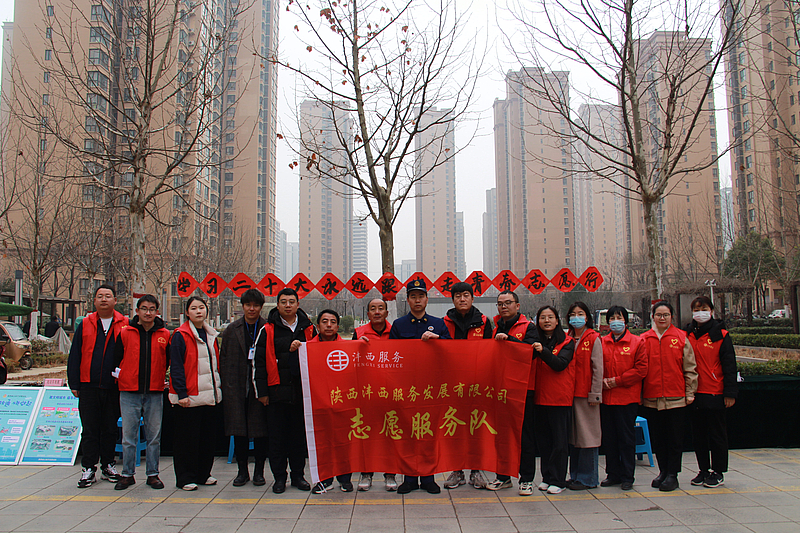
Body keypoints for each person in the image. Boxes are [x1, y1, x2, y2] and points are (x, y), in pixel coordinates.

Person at [389, 278, 451, 494]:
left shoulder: (439, 324)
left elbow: (452, 352)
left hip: (431, 389)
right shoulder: (399, 325)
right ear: (407, 300)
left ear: (427, 299)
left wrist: (438, 339)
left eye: (421, 296)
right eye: (413, 296)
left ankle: (427, 478)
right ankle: (409, 478)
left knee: (428, 433)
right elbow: (391, 356)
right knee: (407, 433)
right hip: (406, 388)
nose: (417, 300)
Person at [254, 287, 316, 494]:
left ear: (298, 304)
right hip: (276, 394)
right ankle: (280, 478)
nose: (288, 305)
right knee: (277, 440)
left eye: (291, 302)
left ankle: (298, 476)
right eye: (283, 302)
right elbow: (258, 363)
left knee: (298, 438)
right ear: (278, 305)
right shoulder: (268, 329)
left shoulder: (309, 329)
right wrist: (262, 392)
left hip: (301, 394)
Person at [67, 284, 128, 488]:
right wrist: (74, 382)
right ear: (94, 301)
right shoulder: (85, 323)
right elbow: (75, 354)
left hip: (113, 386)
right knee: (90, 429)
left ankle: (108, 465)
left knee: (110, 428)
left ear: (115, 300)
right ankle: (88, 468)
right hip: (88, 385)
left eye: (108, 296)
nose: (104, 299)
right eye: (100, 296)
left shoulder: (124, 324)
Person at [113, 295, 170, 490]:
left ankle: (153, 474)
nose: (148, 312)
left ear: (157, 312)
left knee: (154, 437)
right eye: (144, 308)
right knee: (129, 437)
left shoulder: (164, 334)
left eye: (152, 309)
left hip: (154, 391)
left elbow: (167, 360)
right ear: (137, 311)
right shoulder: (125, 332)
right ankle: (127, 474)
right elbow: (116, 359)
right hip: (129, 391)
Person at [640, 301, 698, 492]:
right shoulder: (644, 339)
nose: (662, 318)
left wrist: (690, 392)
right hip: (652, 397)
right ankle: (663, 471)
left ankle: (673, 474)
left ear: (672, 316)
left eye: (666, 315)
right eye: (658, 315)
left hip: (676, 398)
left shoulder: (681, 338)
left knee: (675, 439)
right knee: (658, 438)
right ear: (653, 317)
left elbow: (690, 368)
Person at [486, 290, 539, 495]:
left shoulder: (529, 327)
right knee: (501, 436)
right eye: (500, 304)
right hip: (500, 390)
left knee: (524, 437)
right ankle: (503, 476)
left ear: (517, 305)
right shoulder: (495, 328)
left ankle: (526, 479)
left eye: (508, 303)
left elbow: (531, 352)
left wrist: (509, 340)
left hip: (523, 390)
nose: (503, 307)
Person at [442, 282, 493, 490]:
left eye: (466, 295)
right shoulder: (444, 322)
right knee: (454, 427)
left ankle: (476, 470)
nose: (462, 299)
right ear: (452, 299)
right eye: (458, 296)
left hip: (476, 384)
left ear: (472, 298)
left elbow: (490, 352)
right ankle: (457, 471)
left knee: (476, 427)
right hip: (452, 384)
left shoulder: (484, 322)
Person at [169, 296, 223, 491]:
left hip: (209, 395)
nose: (198, 311)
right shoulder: (180, 335)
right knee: (187, 440)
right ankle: (185, 478)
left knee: (206, 439)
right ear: (187, 313)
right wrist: (181, 393)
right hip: (189, 397)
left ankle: (203, 474)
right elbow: (176, 367)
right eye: (194, 308)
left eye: (201, 307)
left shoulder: (211, 334)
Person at [219, 288, 270, 487]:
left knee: (260, 431)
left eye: (255, 305)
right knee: (239, 430)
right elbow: (224, 359)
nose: (251, 309)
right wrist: (227, 385)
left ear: (261, 307)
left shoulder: (267, 328)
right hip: (237, 386)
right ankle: (242, 472)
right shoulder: (232, 330)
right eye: (248, 305)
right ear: (243, 306)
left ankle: (259, 472)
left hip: (259, 387)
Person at [685, 296, 737, 488]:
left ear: (712, 311)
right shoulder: (687, 334)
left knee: (717, 434)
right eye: (696, 309)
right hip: (694, 392)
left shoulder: (721, 334)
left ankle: (718, 471)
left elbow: (730, 366)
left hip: (715, 391)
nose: (700, 313)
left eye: (704, 309)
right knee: (698, 435)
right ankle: (703, 470)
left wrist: (730, 393)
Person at [599, 306, 647, 491]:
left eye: (618, 318)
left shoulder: (637, 342)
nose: (615, 321)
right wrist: (602, 381)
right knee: (609, 438)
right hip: (606, 398)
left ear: (625, 321)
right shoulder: (602, 342)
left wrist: (617, 381)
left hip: (627, 398)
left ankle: (628, 476)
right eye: (612, 318)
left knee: (626, 439)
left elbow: (641, 369)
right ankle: (613, 474)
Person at [308, 309, 355, 493]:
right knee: (322, 442)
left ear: (338, 326)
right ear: (317, 325)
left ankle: (345, 478)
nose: (329, 325)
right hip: (318, 403)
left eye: (333, 322)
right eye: (325, 321)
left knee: (344, 441)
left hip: (342, 403)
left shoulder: (348, 348)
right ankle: (324, 479)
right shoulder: (307, 348)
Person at [353, 298, 397, 492]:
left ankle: (390, 474)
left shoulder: (395, 332)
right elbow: (351, 359)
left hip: (390, 392)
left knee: (390, 433)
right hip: (367, 393)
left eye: (381, 308)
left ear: (387, 313)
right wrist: (357, 346)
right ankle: (366, 473)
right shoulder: (359, 333)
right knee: (367, 434)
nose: (377, 312)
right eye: (373, 309)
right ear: (368, 313)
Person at [532, 305, 575, 494]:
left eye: (550, 317)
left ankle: (559, 480)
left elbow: (560, 365)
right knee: (544, 441)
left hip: (559, 399)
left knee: (559, 442)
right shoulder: (535, 341)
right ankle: (547, 477)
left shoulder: (567, 342)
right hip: (539, 398)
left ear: (557, 320)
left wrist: (543, 351)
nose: (546, 321)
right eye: (542, 317)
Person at [565, 301, 602, 491]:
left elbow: (598, 368)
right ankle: (575, 476)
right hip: (569, 394)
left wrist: (595, 394)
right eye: (573, 314)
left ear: (587, 317)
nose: (576, 317)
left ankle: (588, 478)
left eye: (580, 314)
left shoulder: (593, 338)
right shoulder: (567, 338)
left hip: (586, 395)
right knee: (574, 438)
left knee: (588, 437)